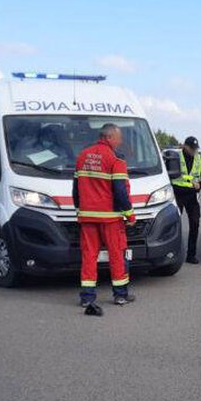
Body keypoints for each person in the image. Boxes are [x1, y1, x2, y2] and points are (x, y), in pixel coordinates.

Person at [72, 123, 136, 314]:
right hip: (110, 219)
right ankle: (120, 295)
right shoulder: (115, 159)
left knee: (89, 256)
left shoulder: (82, 156)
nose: (121, 141)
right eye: (119, 137)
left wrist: (78, 210)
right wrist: (129, 214)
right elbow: (120, 191)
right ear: (109, 137)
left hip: (88, 217)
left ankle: (87, 297)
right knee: (117, 255)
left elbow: (75, 189)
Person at [172, 136, 201, 264]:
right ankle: (173, 254)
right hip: (177, 194)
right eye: (192, 148)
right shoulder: (176, 157)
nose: (194, 151)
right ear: (185, 146)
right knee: (173, 225)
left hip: (192, 196)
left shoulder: (199, 159)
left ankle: (191, 255)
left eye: (195, 148)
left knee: (195, 224)